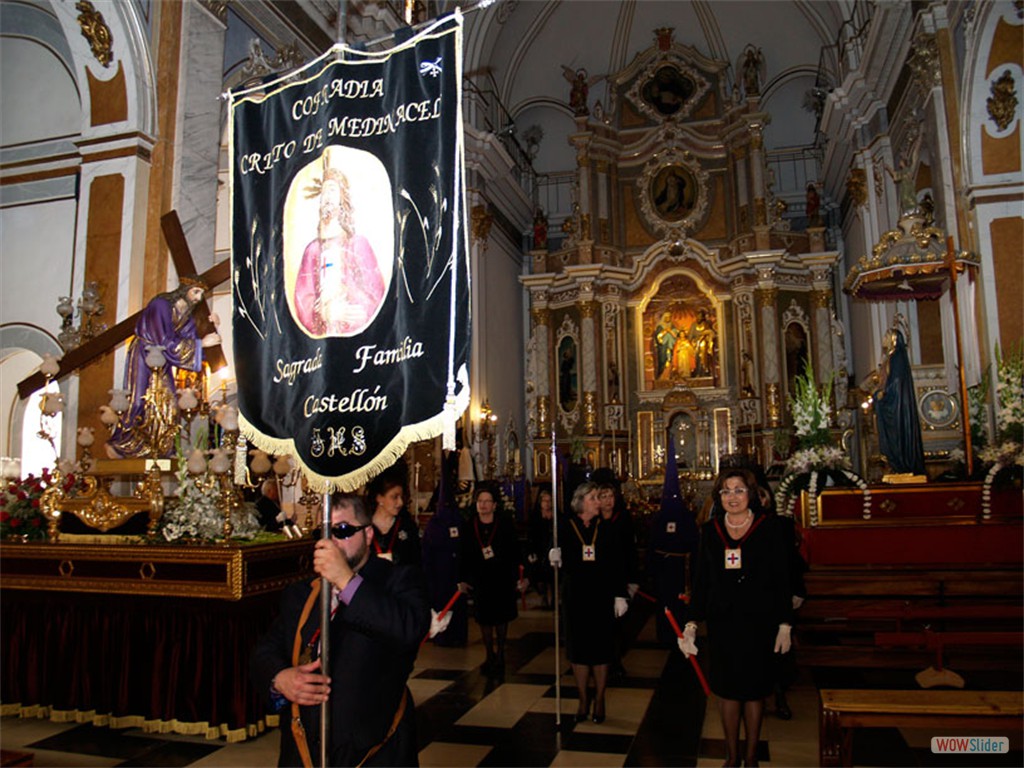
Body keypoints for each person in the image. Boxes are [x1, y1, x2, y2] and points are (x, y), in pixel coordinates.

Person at [250, 492, 431, 767]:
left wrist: (345, 581)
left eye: (343, 530)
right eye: (323, 532)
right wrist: (279, 679)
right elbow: (264, 652)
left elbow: (408, 629)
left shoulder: (397, 581)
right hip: (304, 751)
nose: (332, 541)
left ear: (368, 534)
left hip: (374, 752)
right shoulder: (301, 593)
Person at [680, 468, 792, 768]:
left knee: (754, 692)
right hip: (723, 624)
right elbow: (701, 581)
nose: (732, 496)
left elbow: (782, 578)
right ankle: (732, 755)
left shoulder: (769, 529)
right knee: (727, 691)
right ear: (719, 496)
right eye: (726, 491)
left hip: (759, 623)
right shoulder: (710, 531)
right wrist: (691, 623)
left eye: (739, 490)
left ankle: (752, 754)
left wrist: (784, 623)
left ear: (751, 494)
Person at [106, 276, 220, 458]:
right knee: (139, 400)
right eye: (196, 292)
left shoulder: (186, 313)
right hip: (146, 354)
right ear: (185, 288)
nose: (198, 298)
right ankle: (123, 443)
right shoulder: (161, 304)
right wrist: (201, 345)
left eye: (201, 294)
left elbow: (191, 340)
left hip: (163, 360)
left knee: (168, 403)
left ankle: (161, 446)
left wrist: (211, 326)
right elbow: (164, 340)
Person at [549, 481, 629, 725]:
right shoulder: (564, 526)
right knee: (578, 649)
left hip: (601, 594)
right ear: (582, 501)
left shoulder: (606, 529)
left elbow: (617, 564)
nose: (599, 502)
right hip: (575, 595)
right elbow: (555, 555)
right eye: (594, 497)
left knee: (601, 649)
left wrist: (619, 594)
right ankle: (584, 698)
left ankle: (600, 698)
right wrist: (553, 557)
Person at [294, 147, 385, 337]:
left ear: (342, 199)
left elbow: (376, 293)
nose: (326, 198)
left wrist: (347, 304)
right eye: (323, 194)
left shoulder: (358, 245)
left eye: (332, 191)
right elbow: (302, 296)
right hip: (321, 338)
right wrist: (322, 312)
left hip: (357, 336)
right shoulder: (312, 250)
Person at [458, 484, 526, 677]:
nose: (483, 505)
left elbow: (514, 550)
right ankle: (489, 654)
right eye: (480, 501)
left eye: (487, 501)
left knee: (501, 617)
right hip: (481, 578)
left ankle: (501, 653)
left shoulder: (504, 524)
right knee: (484, 618)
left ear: (495, 505)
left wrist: (519, 575)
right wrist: (463, 578)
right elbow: (464, 554)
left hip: (502, 577)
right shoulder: (469, 525)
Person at [592, 469, 638, 677]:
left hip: (619, 576)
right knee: (601, 622)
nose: (608, 501)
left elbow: (630, 550)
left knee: (620, 623)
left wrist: (633, 579)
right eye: (603, 497)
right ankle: (602, 659)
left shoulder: (623, 518)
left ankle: (617, 659)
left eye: (610, 496)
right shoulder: (593, 521)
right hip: (598, 577)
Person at [873, 325, 926, 475]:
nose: (884, 339)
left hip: (897, 405)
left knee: (899, 437)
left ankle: (903, 464)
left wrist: (884, 394)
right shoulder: (891, 357)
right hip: (893, 404)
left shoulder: (897, 357)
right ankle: (896, 464)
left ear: (894, 340)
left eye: (886, 337)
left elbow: (896, 382)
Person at [367, 468, 421, 568]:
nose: (400, 502)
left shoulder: (407, 526)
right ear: (379, 498)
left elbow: (417, 563)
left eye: (401, 497)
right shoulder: (364, 527)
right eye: (394, 497)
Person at [526, 487, 555, 609]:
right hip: (539, 549)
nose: (547, 503)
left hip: (552, 548)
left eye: (549, 500)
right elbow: (531, 535)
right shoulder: (535, 516)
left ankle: (553, 597)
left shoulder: (556, 515)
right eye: (544, 500)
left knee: (552, 575)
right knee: (539, 573)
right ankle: (543, 595)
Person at [688, 308, 716, 378]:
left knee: (704, 357)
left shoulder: (706, 324)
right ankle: (696, 372)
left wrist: (706, 335)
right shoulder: (693, 325)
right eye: (697, 316)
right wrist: (694, 341)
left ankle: (704, 372)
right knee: (695, 358)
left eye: (700, 316)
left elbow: (711, 333)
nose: (698, 318)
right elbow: (690, 336)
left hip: (704, 344)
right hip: (695, 345)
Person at [652, 311, 678, 378]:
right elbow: (658, 337)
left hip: (671, 347)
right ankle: (661, 375)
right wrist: (665, 331)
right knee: (663, 360)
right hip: (663, 347)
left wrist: (670, 331)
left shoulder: (672, 326)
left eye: (669, 317)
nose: (668, 319)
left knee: (671, 360)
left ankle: (670, 375)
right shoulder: (660, 327)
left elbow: (676, 336)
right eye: (666, 317)